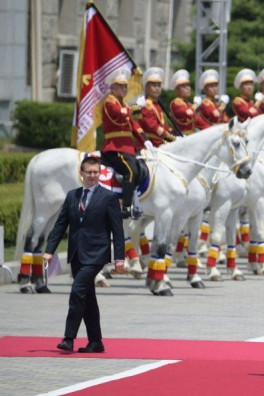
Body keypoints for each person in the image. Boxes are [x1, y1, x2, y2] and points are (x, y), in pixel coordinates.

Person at [44, 156, 125, 354]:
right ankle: (96, 342)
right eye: (88, 172)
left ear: (100, 174)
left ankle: (68, 338)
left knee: (77, 291)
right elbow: (60, 225)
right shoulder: (72, 196)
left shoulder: (108, 197)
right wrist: (49, 250)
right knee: (88, 299)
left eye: (95, 172)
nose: (92, 175)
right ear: (81, 173)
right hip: (77, 254)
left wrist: (120, 258)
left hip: (97, 253)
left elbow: (118, 230)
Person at [100, 67, 151, 219]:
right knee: (131, 172)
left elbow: (134, 126)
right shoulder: (109, 101)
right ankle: (125, 207)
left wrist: (146, 140)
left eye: (125, 86)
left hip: (128, 148)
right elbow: (120, 114)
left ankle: (137, 201)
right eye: (120, 86)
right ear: (113, 87)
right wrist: (137, 107)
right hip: (115, 147)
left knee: (141, 170)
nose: (124, 89)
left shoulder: (123, 105)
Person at [138, 67, 176, 147]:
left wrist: (171, 131)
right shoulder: (147, 104)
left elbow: (162, 124)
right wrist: (171, 138)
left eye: (159, 85)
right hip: (150, 143)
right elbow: (153, 126)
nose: (157, 88)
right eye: (153, 85)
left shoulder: (156, 104)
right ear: (146, 87)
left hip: (159, 141)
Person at [169, 69, 199, 135]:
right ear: (177, 89)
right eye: (183, 86)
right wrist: (196, 105)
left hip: (191, 135)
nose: (187, 88)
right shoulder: (176, 102)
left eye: (188, 85)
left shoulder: (188, 104)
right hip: (182, 136)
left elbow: (198, 121)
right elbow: (187, 113)